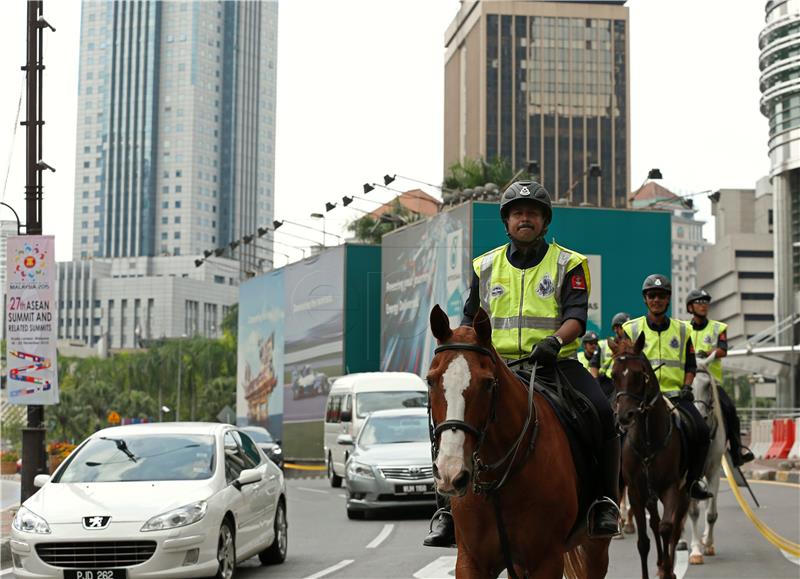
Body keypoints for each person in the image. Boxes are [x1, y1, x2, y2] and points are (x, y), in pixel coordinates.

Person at [424, 180, 622, 548]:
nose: (525, 219)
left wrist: (555, 340)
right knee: (449, 414)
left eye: (532, 213)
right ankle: (447, 510)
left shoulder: (569, 263)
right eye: (517, 213)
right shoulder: (484, 265)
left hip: (554, 364)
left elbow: (576, 316)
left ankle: (604, 503)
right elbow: (470, 319)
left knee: (602, 413)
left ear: (545, 222)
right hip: (497, 369)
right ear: (507, 222)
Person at [622, 275, 714, 501]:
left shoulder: (683, 330)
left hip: (675, 396)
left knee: (701, 431)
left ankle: (694, 481)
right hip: (641, 398)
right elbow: (623, 362)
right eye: (652, 296)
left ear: (668, 299)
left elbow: (691, 366)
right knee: (613, 432)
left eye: (661, 296)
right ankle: (611, 489)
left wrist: (687, 386)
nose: (657, 300)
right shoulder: (631, 329)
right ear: (645, 299)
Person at [685, 289, 754, 467]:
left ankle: (737, 450)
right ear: (690, 307)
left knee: (730, 409)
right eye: (699, 302)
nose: (703, 305)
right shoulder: (683, 328)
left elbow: (723, 349)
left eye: (705, 302)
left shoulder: (718, 327)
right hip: (687, 379)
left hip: (711, 381)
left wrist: (708, 352)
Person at [590, 312, 629, 398]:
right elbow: (593, 366)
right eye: (624, 327)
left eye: (628, 327)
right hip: (607, 384)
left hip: (626, 384)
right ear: (615, 328)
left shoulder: (632, 345)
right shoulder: (603, 344)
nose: (627, 329)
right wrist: (596, 384)